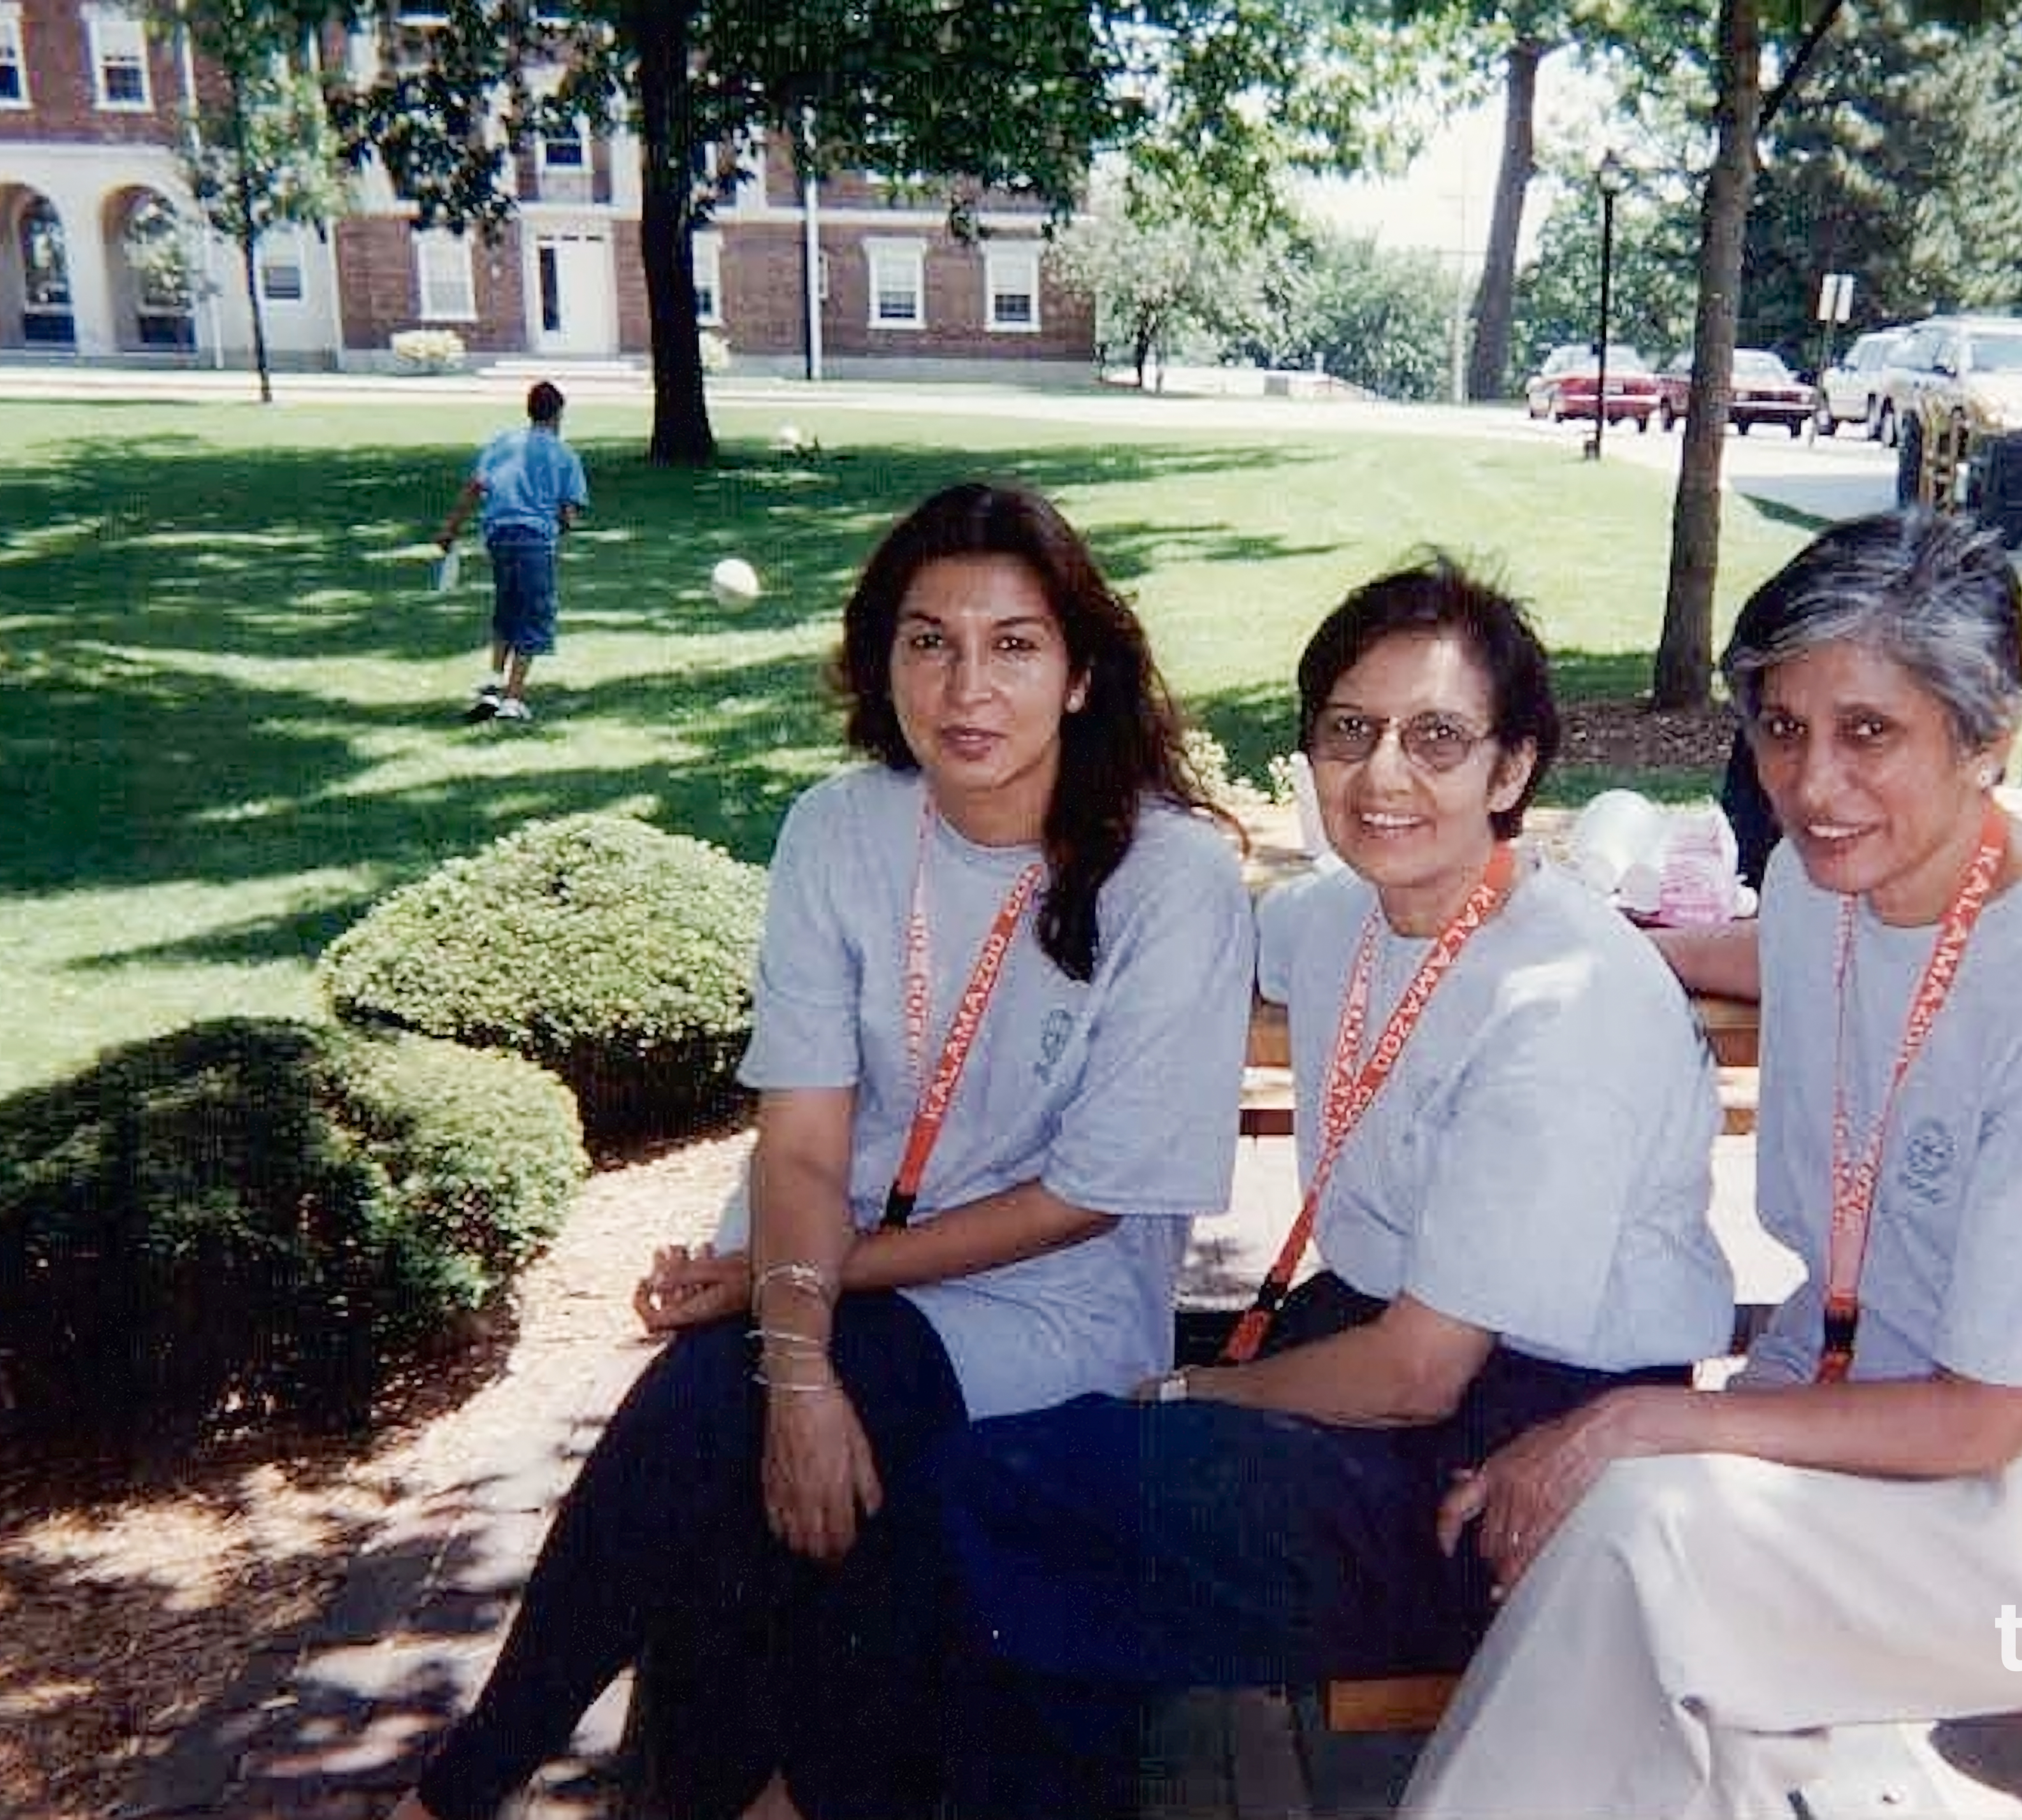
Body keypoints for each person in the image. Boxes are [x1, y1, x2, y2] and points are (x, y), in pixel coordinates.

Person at [384, 479, 1257, 1820]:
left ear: (1082, 674)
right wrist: (793, 1350)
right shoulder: (837, 830)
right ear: (880, 659)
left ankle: (492, 1787)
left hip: (1040, 1287)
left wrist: (775, 1297)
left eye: (1014, 643)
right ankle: (542, 1779)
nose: (967, 685)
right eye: (927, 639)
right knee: (735, 1409)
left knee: (737, 1398)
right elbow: (796, 1140)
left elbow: (1087, 1197)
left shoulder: (1170, 871)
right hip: (816, 1251)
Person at [1396, 510, 2022, 1820]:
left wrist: (1647, 1416)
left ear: (1987, 737)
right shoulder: (1823, 888)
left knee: (1641, 1530)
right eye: (1781, 728)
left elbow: (1985, 1417)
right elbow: (1767, 950)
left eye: (1868, 732)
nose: (1810, 785)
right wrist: (1575, 936)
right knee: (1608, 1532)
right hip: (1862, 1389)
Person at [932, 560, 1741, 1820]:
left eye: (1434, 737)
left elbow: (1420, 1370)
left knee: (1012, 1485)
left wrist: (1188, 1387)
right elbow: (1175, 939)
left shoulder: (1562, 1002)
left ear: (1512, 770)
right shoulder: (1340, 916)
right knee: (1037, 1499)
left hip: (1513, 1456)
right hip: (1360, 1351)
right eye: (1347, 732)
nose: (1382, 775)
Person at [436, 380, 590, 725]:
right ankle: (513, 699)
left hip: (498, 537)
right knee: (535, 616)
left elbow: (475, 487)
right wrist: (565, 525)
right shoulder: (564, 455)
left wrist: (450, 528)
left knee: (506, 610)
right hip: (534, 539)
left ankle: (492, 687)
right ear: (558, 414)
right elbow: (568, 514)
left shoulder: (502, 443)